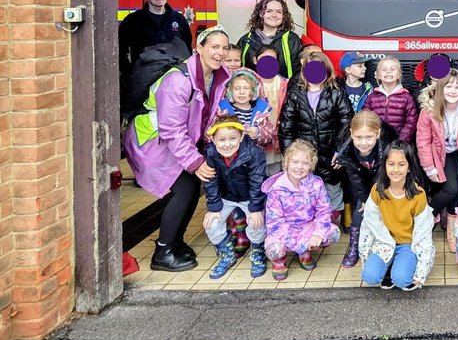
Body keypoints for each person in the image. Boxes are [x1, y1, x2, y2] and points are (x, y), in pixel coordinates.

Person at [123, 26, 231, 272]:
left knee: (192, 186)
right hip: (152, 142)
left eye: (225, 48)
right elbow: (172, 129)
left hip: (174, 143)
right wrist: (195, 162)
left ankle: (175, 243)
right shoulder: (178, 80)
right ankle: (163, 251)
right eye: (214, 47)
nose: (221, 52)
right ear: (199, 48)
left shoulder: (215, 76)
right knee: (183, 189)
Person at [278, 53, 352, 221]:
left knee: (332, 192)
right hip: (304, 157)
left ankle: (331, 224)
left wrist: (341, 151)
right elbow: (286, 127)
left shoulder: (337, 92)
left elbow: (347, 124)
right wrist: (290, 155)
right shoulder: (295, 93)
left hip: (331, 155)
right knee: (305, 194)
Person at [359, 141, 435, 290]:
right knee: (370, 277)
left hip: (408, 244)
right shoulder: (377, 190)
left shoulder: (418, 195)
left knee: (401, 280)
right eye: (391, 164)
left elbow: (423, 232)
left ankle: (401, 265)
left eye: (401, 165)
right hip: (384, 241)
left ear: (409, 167)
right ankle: (390, 265)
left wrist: (421, 272)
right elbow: (369, 223)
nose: (395, 169)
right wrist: (365, 253)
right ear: (385, 165)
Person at [262, 140, 340, 280]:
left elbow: (324, 210)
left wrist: (318, 234)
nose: (300, 167)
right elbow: (275, 223)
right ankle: (279, 261)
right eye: (295, 162)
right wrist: (299, 244)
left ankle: (305, 254)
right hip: (284, 230)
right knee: (275, 250)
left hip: (307, 226)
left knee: (333, 234)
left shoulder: (316, 183)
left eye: (305, 163)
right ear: (286, 163)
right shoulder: (277, 189)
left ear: (311, 165)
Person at [201, 119, 268, 279]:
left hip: (249, 197)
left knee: (257, 223)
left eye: (232, 138)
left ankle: (258, 251)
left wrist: (255, 208)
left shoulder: (254, 153)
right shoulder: (211, 153)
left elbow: (257, 181)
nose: (227, 144)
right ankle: (227, 254)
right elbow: (211, 181)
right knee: (212, 223)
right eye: (221, 140)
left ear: (241, 136)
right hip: (227, 196)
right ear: (213, 140)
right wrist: (213, 208)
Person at [416, 69, 458, 242]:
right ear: (440, 89)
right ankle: (426, 216)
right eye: (449, 86)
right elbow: (423, 141)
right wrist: (429, 167)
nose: (453, 91)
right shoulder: (428, 111)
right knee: (451, 189)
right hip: (438, 154)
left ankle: (451, 229)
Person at [332, 110, 397, 269]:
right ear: (351, 134)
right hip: (361, 183)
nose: (363, 142)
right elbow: (354, 177)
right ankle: (354, 247)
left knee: (385, 210)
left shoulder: (388, 147)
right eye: (359, 137)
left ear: (378, 134)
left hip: (385, 182)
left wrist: (374, 199)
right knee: (359, 210)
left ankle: (390, 243)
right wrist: (365, 199)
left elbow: (383, 175)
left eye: (369, 137)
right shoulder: (347, 151)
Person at [118, 0, 193, 90]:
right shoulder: (133, 20)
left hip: (174, 80)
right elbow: (120, 48)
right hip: (144, 82)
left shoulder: (179, 19)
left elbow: (187, 47)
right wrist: (130, 72)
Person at [235, 0, 303, 79]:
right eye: (269, 11)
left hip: (284, 87)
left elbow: (299, 71)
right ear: (261, 14)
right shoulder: (246, 40)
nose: (274, 15)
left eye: (279, 12)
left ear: (283, 16)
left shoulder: (291, 39)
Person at [250, 45, 289, 174]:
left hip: (279, 139)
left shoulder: (285, 84)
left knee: (276, 174)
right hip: (257, 140)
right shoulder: (249, 83)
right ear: (255, 60)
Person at [365, 57, 418, 144]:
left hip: (399, 144)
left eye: (392, 69)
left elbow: (411, 123)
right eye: (384, 69)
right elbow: (366, 119)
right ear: (377, 75)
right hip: (376, 143)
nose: (388, 72)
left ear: (399, 75)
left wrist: (400, 142)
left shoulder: (407, 97)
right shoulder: (371, 97)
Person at [215, 67, 273, 144]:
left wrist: (258, 133)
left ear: (255, 92)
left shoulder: (261, 111)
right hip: (227, 150)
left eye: (246, 88)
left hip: (253, 151)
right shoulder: (222, 111)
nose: (242, 92)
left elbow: (270, 136)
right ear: (229, 92)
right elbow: (209, 135)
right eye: (237, 88)